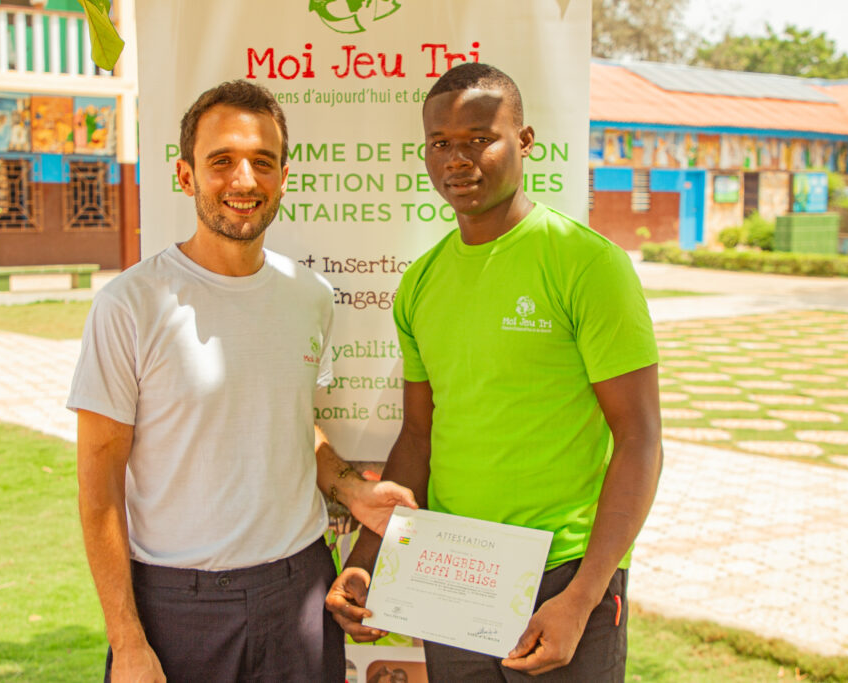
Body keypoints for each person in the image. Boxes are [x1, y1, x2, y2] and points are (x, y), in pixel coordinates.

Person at [68, 80, 416, 683]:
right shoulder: (130, 304)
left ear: (285, 176)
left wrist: (352, 489)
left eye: (262, 162)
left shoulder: (310, 296)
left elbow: (288, 423)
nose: (244, 180)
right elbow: (99, 491)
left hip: (300, 592)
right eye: (221, 161)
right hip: (177, 605)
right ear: (184, 175)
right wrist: (126, 639)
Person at [325, 63, 663, 681]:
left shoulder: (587, 265)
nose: (459, 159)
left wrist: (584, 596)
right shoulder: (420, 283)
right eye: (441, 144)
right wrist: (367, 556)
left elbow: (640, 440)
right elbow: (420, 437)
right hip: (448, 574)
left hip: (562, 575)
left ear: (526, 141)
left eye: (481, 138)